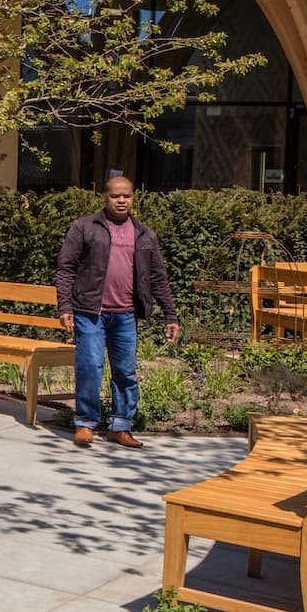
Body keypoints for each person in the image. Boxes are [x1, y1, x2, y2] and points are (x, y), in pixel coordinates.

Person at [56, 175, 180, 449]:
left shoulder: (144, 233)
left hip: (125, 315)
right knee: (90, 367)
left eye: (126, 196)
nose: (121, 200)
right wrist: (65, 306)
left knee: (125, 372)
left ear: (133, 198)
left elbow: (158, 277)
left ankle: (120, 427)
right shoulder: (85, 227)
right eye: (115, 196)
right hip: (91, 312)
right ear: (105, 197)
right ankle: (85, 423)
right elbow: (66, 268)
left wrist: (170, 315)